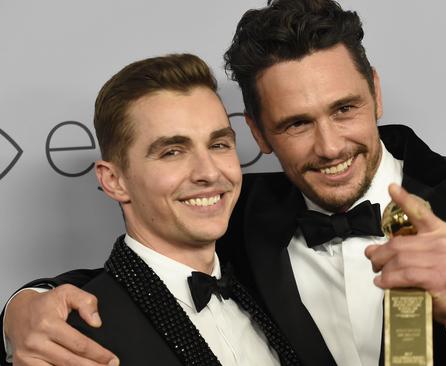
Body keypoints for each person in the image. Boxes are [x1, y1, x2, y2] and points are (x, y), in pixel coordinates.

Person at [2, 0, 446, 365]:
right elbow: (148, 274)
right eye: (296, 123)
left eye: (344, 109)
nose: (329, 147)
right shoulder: (237, 215)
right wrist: (21, 306)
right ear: (259, 133)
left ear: (375, 92)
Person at [1, 53, 300, 365]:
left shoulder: (269, 281)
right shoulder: (73, 339)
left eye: (218, 145)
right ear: (114, 180)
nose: (209, 173)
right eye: (172, 152)